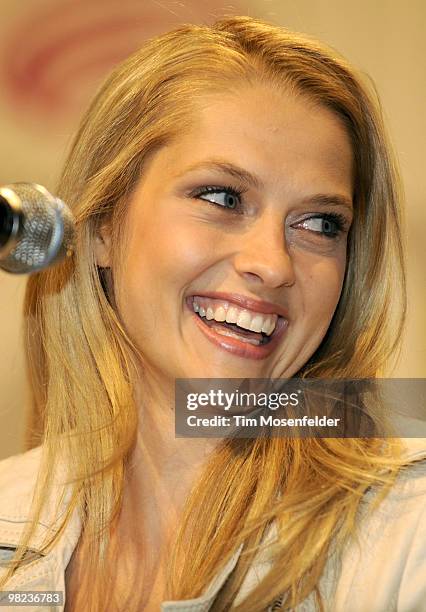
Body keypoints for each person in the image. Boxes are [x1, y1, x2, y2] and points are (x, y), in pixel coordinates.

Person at [0, 15, 425, 612]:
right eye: (223, 198)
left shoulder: (406, 533)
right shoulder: (8, 506)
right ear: (101, 228)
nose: (273, 264)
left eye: (321, 224)